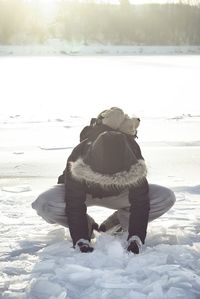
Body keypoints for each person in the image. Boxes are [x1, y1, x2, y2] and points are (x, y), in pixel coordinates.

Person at [32, 107, 176, 254]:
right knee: (43, 203)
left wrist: (136, 238)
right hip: (84, 192)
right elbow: (74, 201)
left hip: (120, 193)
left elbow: (140, 201)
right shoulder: (80, 154)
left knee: (166, 197)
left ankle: (118, 223)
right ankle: (89, 227)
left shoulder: (132, 152)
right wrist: (81, 239)